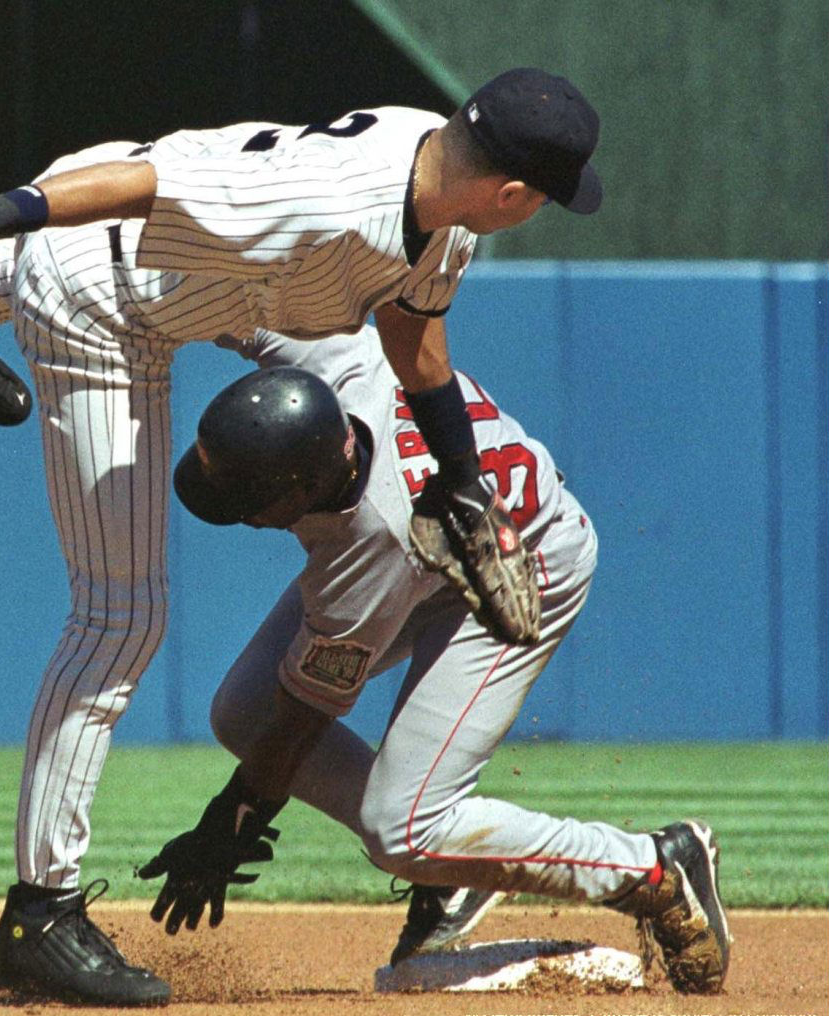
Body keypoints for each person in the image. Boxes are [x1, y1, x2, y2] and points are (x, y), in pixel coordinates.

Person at [0, 66, 604, 647]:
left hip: (227, 278)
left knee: (61, 275)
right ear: (510, 193)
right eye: (546, 197)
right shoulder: (331, 200)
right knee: (120, 621)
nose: (545, 208)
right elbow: (150, 184)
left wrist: (461, 476)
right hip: (122, 259)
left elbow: (415, 346)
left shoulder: (436, 176)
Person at [134, 325, 731, 996]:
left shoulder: (364, 547)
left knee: (404, 830)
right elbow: (248, 293)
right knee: (243, 710)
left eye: (251, 502)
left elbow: (302, 719)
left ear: (302, 486)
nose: (240, 517)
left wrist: (230, 819)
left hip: (520, 567)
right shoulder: (330, 357)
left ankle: (650, 867)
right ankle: (454, 875)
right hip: (433, 544)